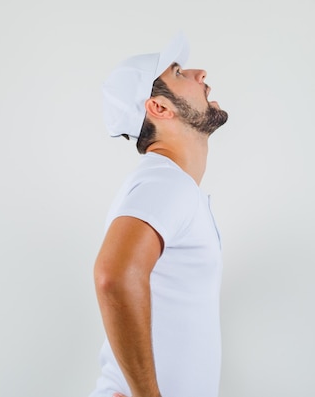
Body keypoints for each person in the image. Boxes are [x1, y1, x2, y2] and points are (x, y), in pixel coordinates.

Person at [89, 33, 229, 397]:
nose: (200, 73)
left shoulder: (172, 185)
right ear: (160, 108)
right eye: (179, 72)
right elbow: (113, 276)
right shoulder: (164, 183)